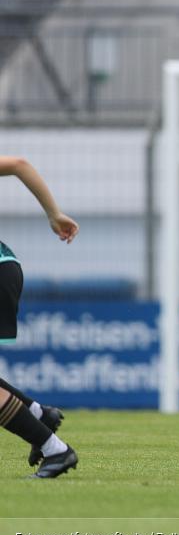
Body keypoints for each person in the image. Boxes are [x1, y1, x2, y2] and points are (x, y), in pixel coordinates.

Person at [0, 156, 79, 478]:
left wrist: (54, 214)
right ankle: (37, 413)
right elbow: (19, 164)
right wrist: (53, 214)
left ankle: (56, 450)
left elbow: (18, 163)